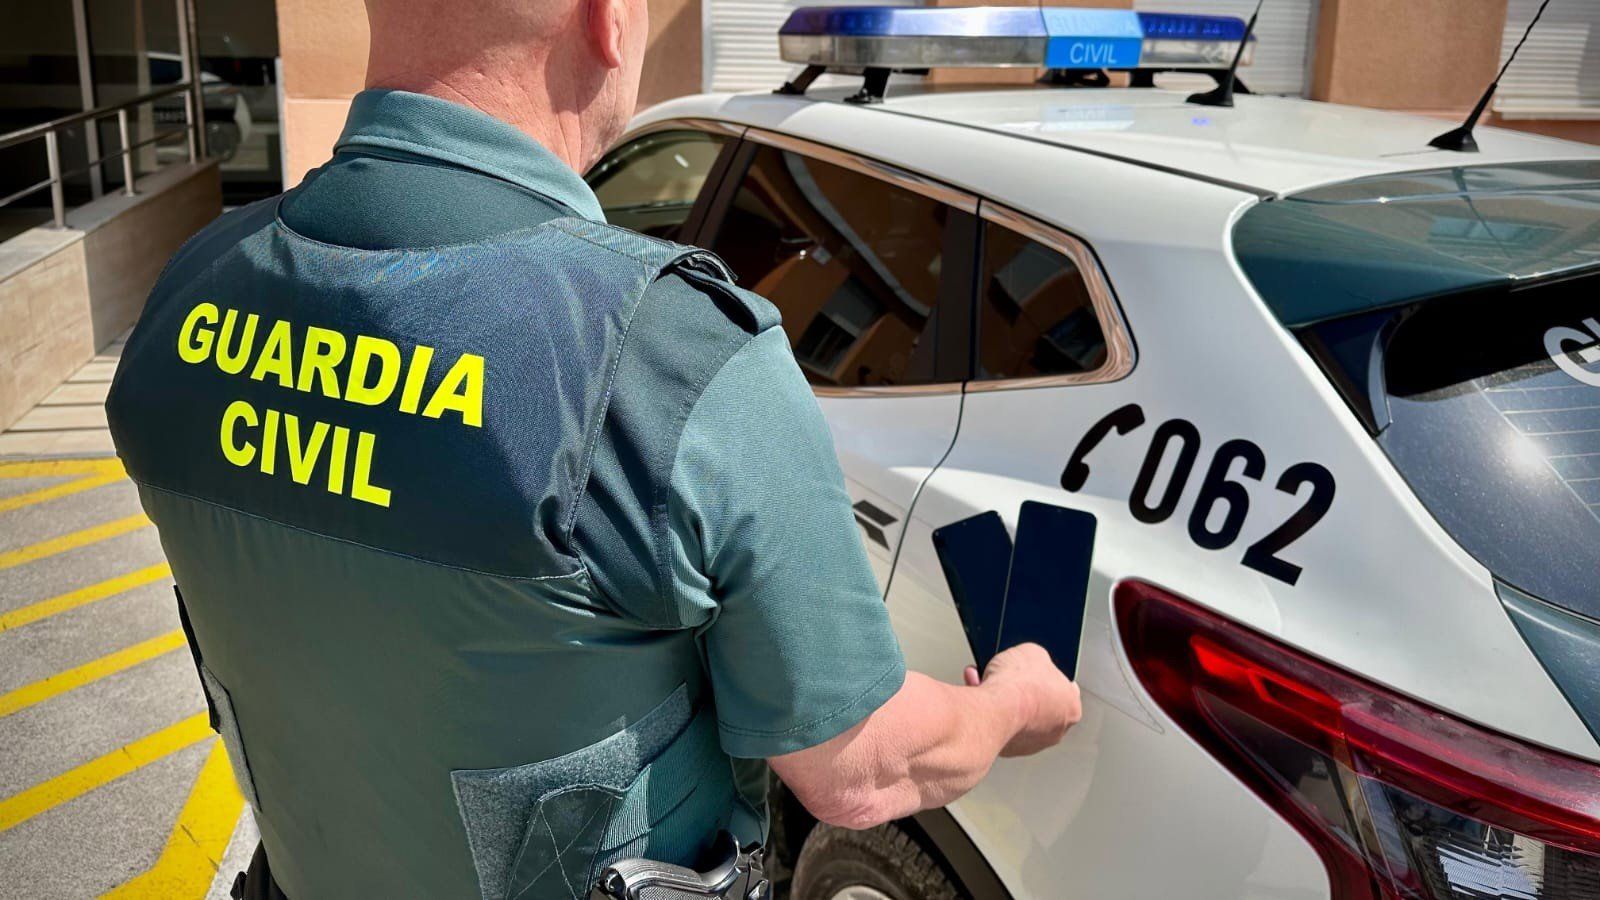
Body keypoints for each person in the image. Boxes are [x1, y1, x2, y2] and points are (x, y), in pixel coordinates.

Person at [104, 0, 1081, 896]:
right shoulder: (672, 355)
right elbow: (859, 767)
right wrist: (1011, 702)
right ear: (608, 23)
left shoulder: (194, 287)